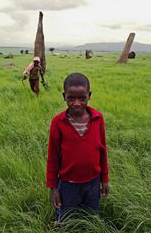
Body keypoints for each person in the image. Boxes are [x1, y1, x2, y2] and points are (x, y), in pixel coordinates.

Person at [46, 73, 109, 223]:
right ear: (64, 96)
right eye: (71, 98)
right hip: (68, 185)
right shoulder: (58, 122)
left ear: (89, 95)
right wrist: (53, 188)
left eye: (82, 98)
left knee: (91, 218)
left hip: (93, 183)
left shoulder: (97, 119)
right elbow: (53, 157)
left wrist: (104, 179)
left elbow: (102, 151)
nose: (77, 103)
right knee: (66, 219)